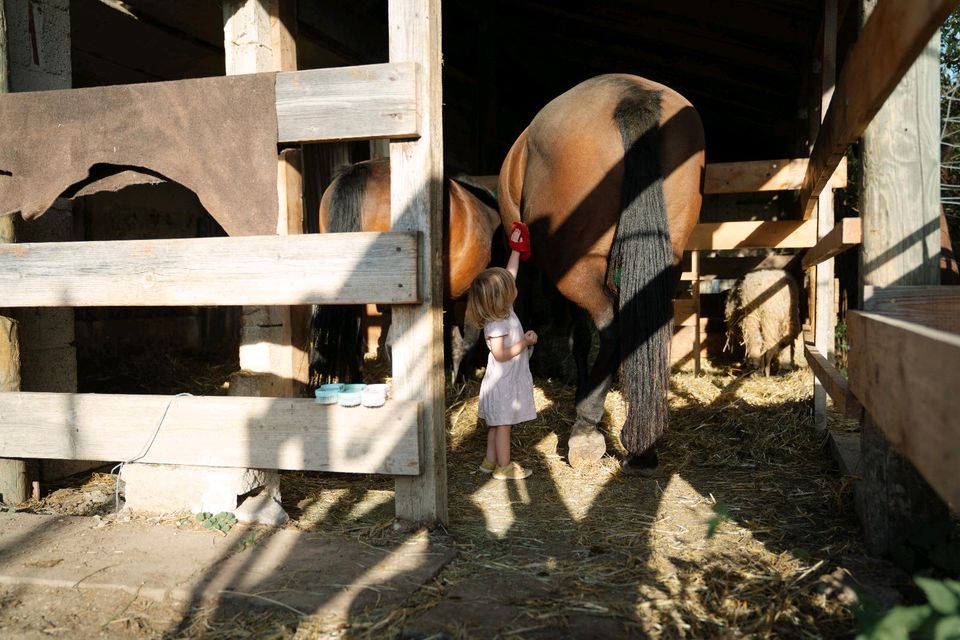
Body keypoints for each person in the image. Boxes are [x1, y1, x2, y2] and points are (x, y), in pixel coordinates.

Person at [465, 222, 538, 480]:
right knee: (503, 426)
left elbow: (510, 273)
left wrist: (515, 248)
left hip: (504, 382)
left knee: (497, 425)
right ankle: (504, 467)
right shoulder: (497, 324)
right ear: (502, 297)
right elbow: (500, 354)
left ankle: (490, 460)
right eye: (510, 288)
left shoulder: (503, 309)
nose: (515, 288)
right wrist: (525, 343)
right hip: (502, 384)